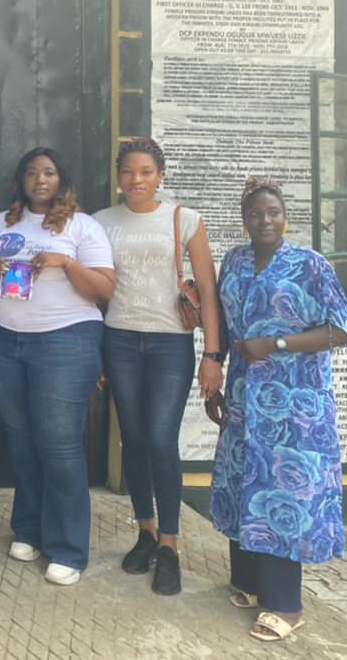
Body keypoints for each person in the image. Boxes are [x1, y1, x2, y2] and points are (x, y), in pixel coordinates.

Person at [207, 178, 347, 643]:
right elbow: (228, 327)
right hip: (246, 396)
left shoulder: (310, 265)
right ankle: (249, 583)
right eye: (255, 214)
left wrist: (277, 343)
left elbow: (340, 332)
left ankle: (286, 606)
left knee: (282, 491)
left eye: (272, 213)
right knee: (241, 480)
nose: (264, 221)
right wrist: (215, 376)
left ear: (285, 216)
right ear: (244, 219)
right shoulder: (234, 261)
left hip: (296, 404)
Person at [0, 147, 115, 586]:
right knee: (21, 439)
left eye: (49, 173)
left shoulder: (82, 226)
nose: (40, 179)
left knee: (58, 444)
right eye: (32, 173)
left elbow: (104, 290)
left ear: (62, 180)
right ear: (19, 180)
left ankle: (68, 548)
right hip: (3, 338)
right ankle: (29, 530)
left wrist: (65, 262)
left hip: (65, 340)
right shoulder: (0, 224)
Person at [93, 138, 223, 595]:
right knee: (132, 436)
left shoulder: (183, 219)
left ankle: (170, 544)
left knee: (161, 438)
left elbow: (207, 289)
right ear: (119, 175)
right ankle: (145, 531)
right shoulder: (100, 222)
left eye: (145, 171)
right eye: (128, 171)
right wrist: (97, 353)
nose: (136, 180)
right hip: (120, 339)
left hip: (171, 343)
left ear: (160, 175)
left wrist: (212, 355)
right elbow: (92, 289)